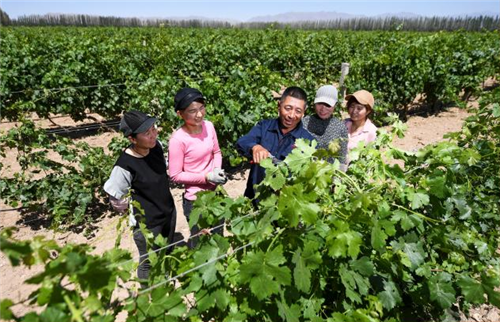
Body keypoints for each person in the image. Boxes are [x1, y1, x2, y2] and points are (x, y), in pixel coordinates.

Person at [104, 110, 176, 285]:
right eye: (146, 133)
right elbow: (116, 198)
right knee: (147, 262)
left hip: (168, 212)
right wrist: (129, 208)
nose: (153, 134)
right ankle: (146, 295)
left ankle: (164, 285)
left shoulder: (156, 146)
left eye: (153, 128)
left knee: (166, 252)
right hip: (147, 224)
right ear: (132, 139)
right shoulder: (125, 165)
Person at [168, 87, 226, 249]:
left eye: (201, 108)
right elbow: (175, 175)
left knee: (218, 240)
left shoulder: (209, 126)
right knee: (201, 245)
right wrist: (206, 177)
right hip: (195, 201)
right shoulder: (178, 140)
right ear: (180, 114)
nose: (199, 114)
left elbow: (217, 152)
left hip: (215, 196)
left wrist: (217, 170)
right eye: (192, 111)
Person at [236, 86, 314, 201]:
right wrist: (255, 147)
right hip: (254, 199)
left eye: (298, 111)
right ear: (279, 106)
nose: (291, 115)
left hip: (284, 204)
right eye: (288, 108)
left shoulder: (308, 141)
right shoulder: (264, 127)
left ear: (303, 112)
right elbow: (242, 142)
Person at [302, 85, 348, 167]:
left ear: (335, 105)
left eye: (328, 105)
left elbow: (341, 160)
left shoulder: (340, 128)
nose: (323, 109)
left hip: (329, 176)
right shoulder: (304, 123)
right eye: (320, 104)